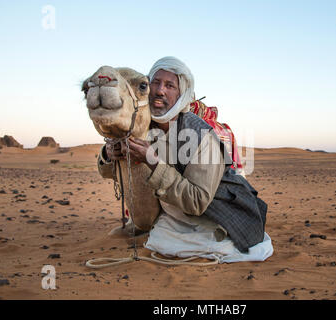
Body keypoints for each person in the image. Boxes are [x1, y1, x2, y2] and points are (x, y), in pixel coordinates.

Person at [97, 57, 271, 260]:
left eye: (169, 85)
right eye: (155, 82)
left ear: (181, 95)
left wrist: (152, 161)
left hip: (213, 208)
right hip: (172, 211)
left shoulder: (201, 135)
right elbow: (110, 171)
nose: (160, 90)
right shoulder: (144, 125)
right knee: (161, 239)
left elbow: (198, 201)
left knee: (180, 244)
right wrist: (109, 155)